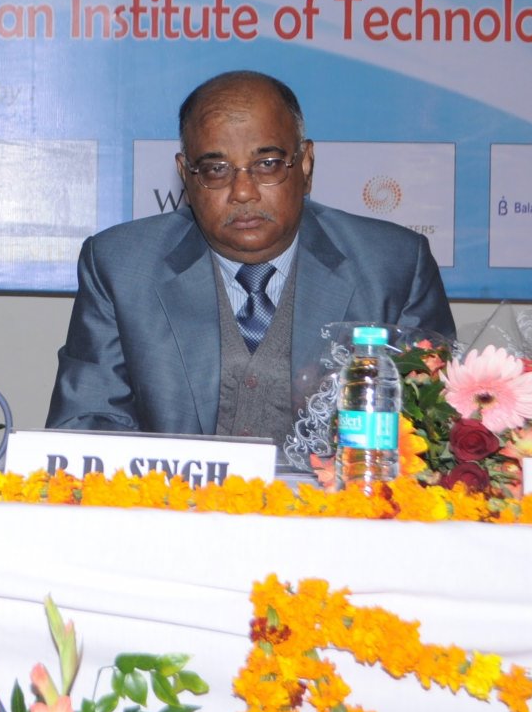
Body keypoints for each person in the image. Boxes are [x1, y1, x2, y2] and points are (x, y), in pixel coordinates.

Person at [47, 70, 454, 441]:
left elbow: (432, 434)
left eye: (267, 164)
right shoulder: (121, 267)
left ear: (305, 165)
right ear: (186, 175)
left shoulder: (393, 266)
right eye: (216, 169)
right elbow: (87, 426)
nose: (243, 192)